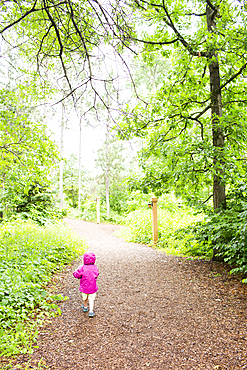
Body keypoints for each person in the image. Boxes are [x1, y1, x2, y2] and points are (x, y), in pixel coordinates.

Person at [73, 251, 99, 317]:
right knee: (91, 299)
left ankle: (85, 307)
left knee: (85, 298)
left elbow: (77, 275)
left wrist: (76, 270)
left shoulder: (82, 268)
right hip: (93, 288)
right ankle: (91, 311)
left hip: (84, 287)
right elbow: (97, 274)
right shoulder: (95, 267)